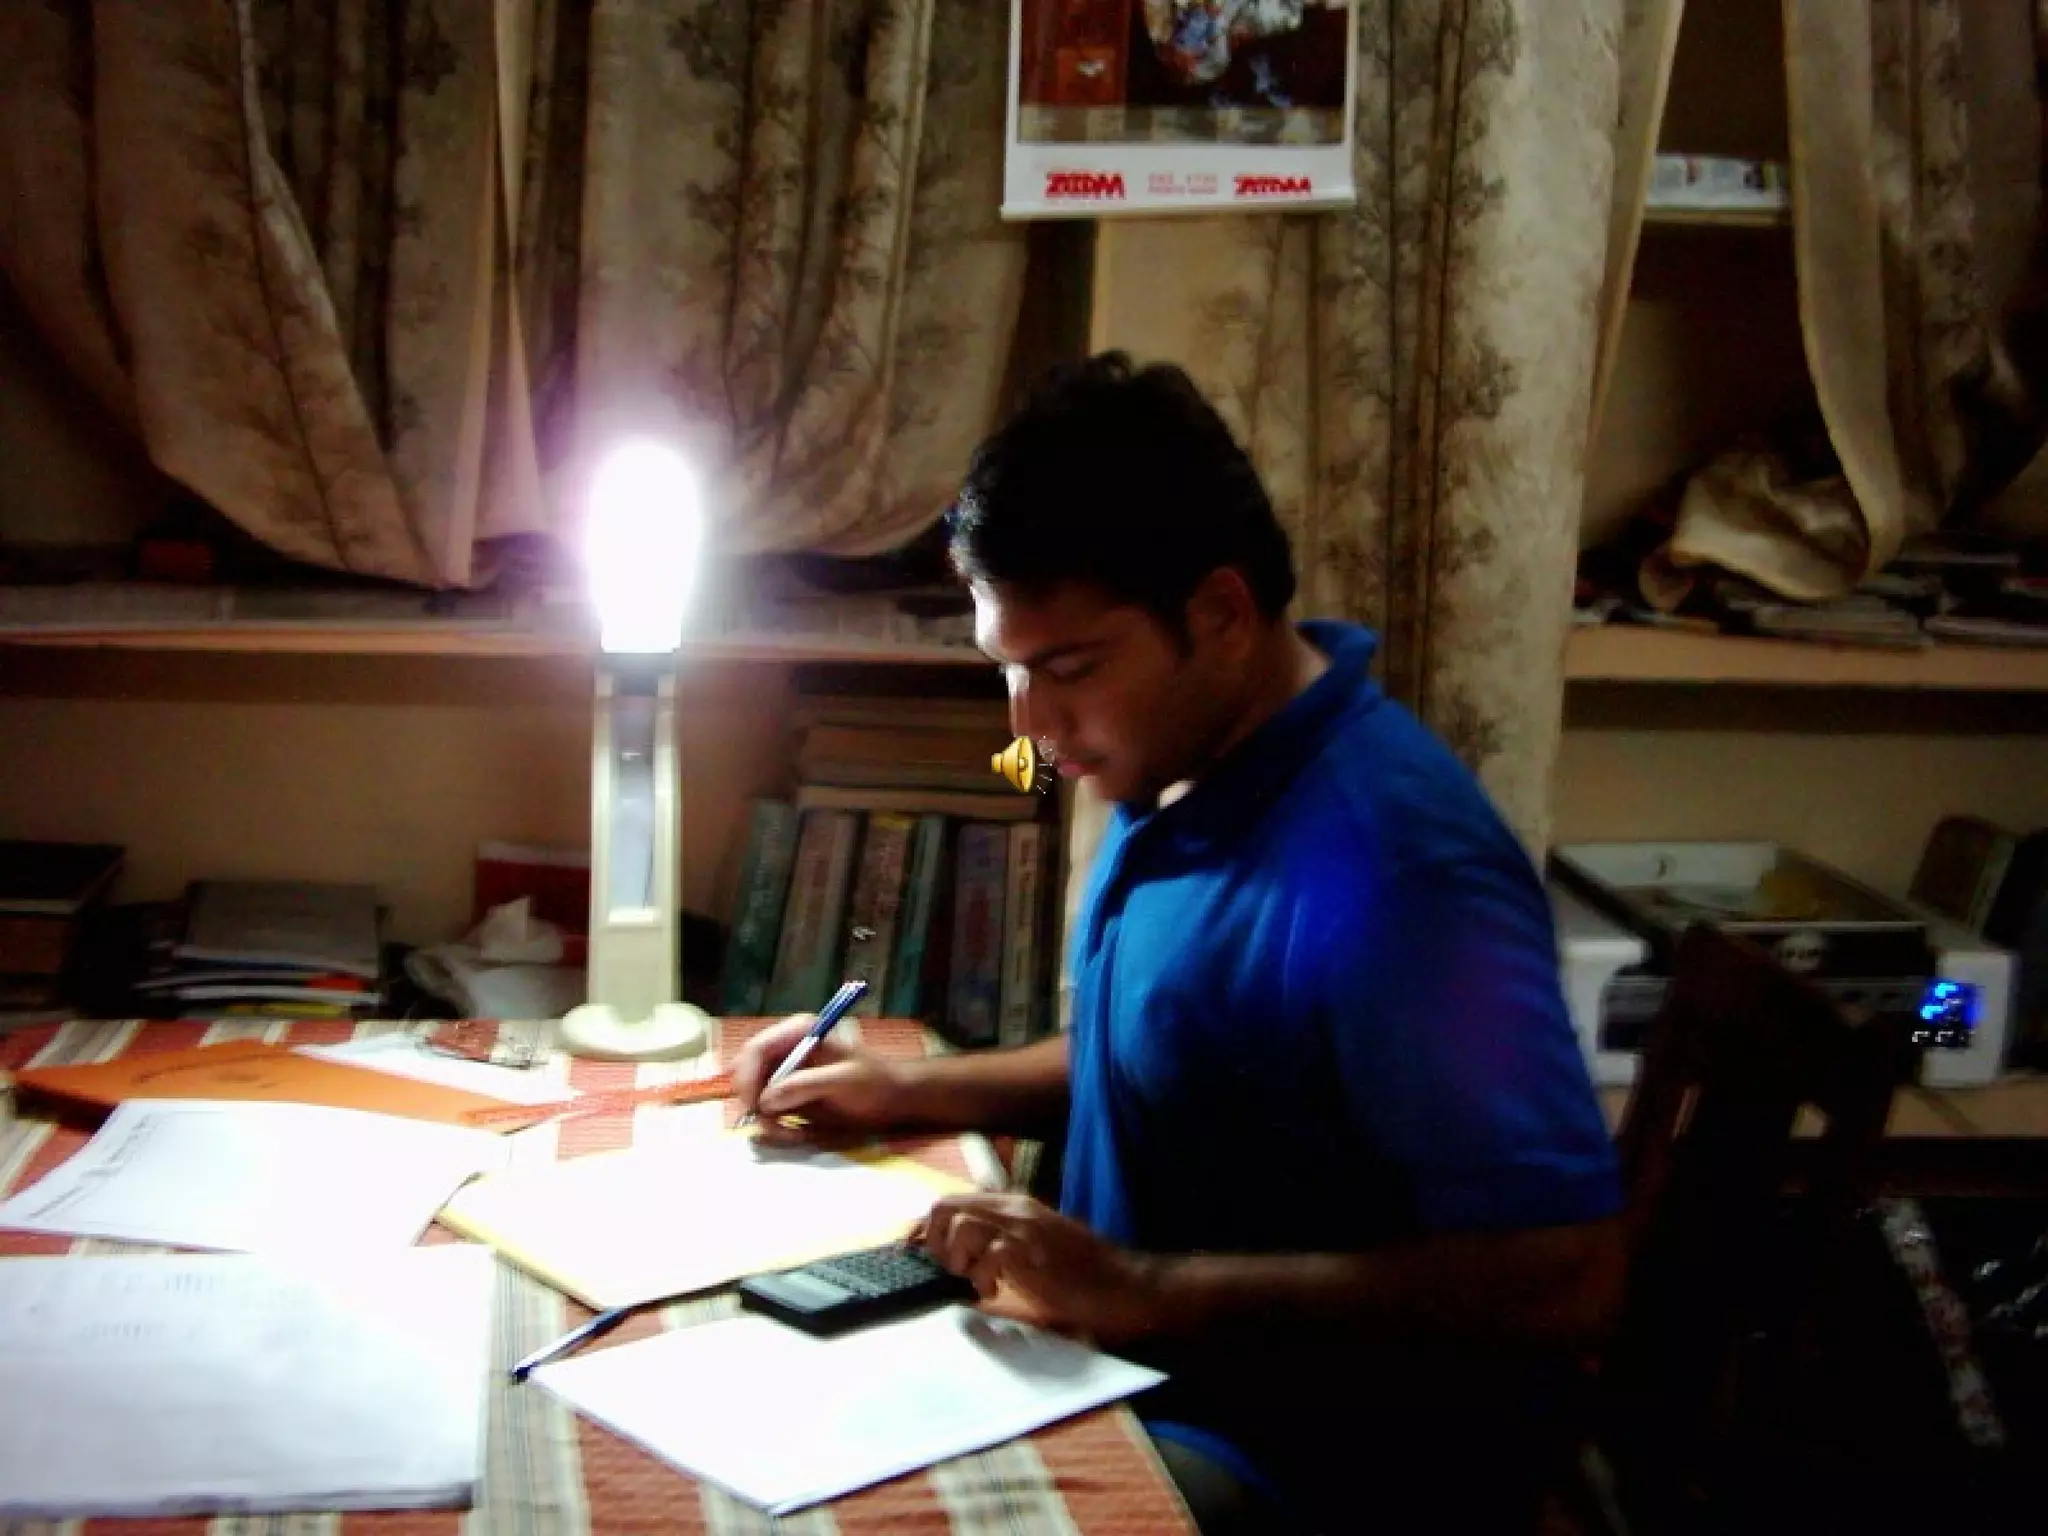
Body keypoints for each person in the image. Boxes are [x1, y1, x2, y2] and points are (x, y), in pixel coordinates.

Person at [733, 353, 1625, 1533]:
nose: (1029, 724)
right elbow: (1170, 1054)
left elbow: (1564, 1274)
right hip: (1129, 1368)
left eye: (1068, 669)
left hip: (1315, 1461)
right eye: (1008, 670)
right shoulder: (1187, 767)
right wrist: (907, 1088)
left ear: (1217, 615)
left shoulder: (1398, 873)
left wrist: (1141, 1291)